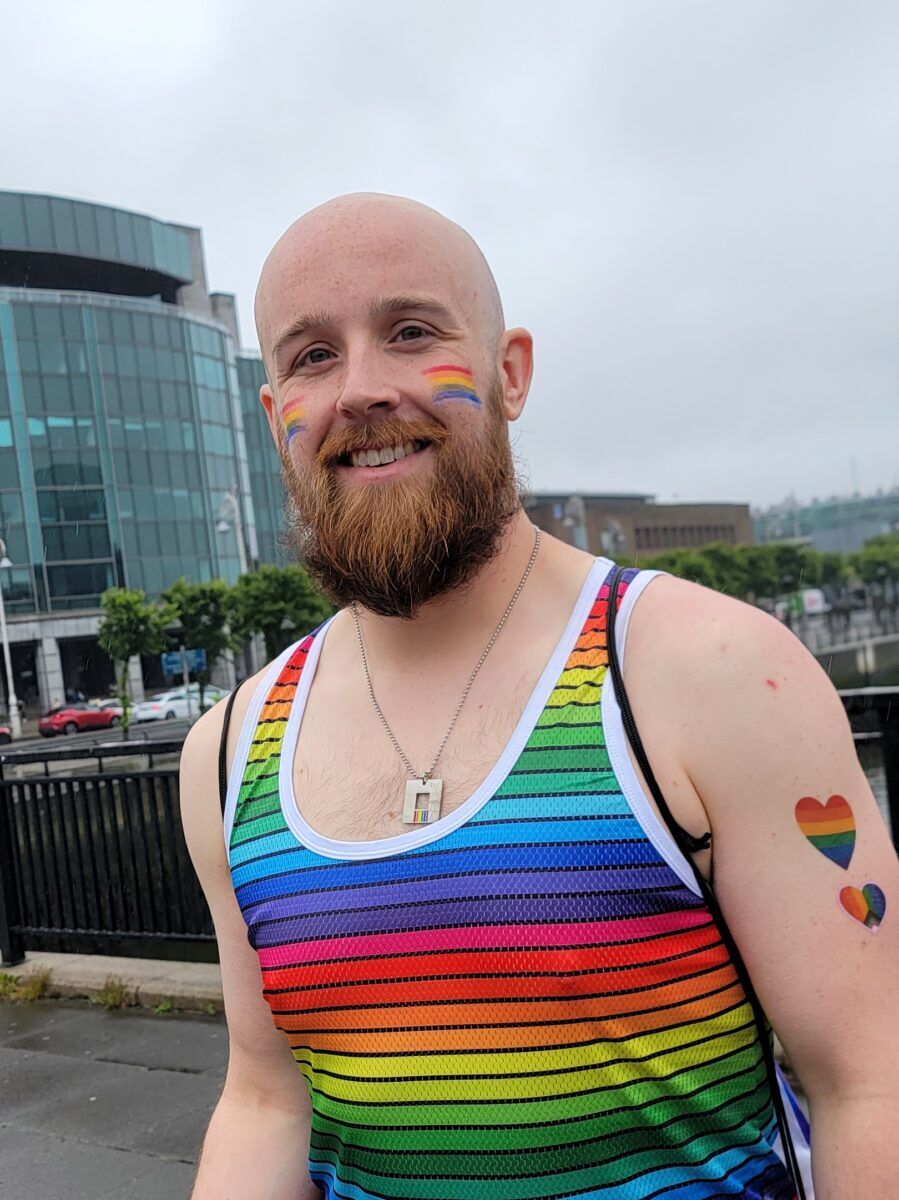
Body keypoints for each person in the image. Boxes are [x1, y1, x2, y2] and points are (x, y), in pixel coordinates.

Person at [180, 194, 899, 1200]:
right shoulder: (226, 752)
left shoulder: (710, 672)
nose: (362, 389)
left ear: (507, 371)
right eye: (311, 356)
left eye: (410, 332)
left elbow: (868, 1080)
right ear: (274, 419)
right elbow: (266, 1097)